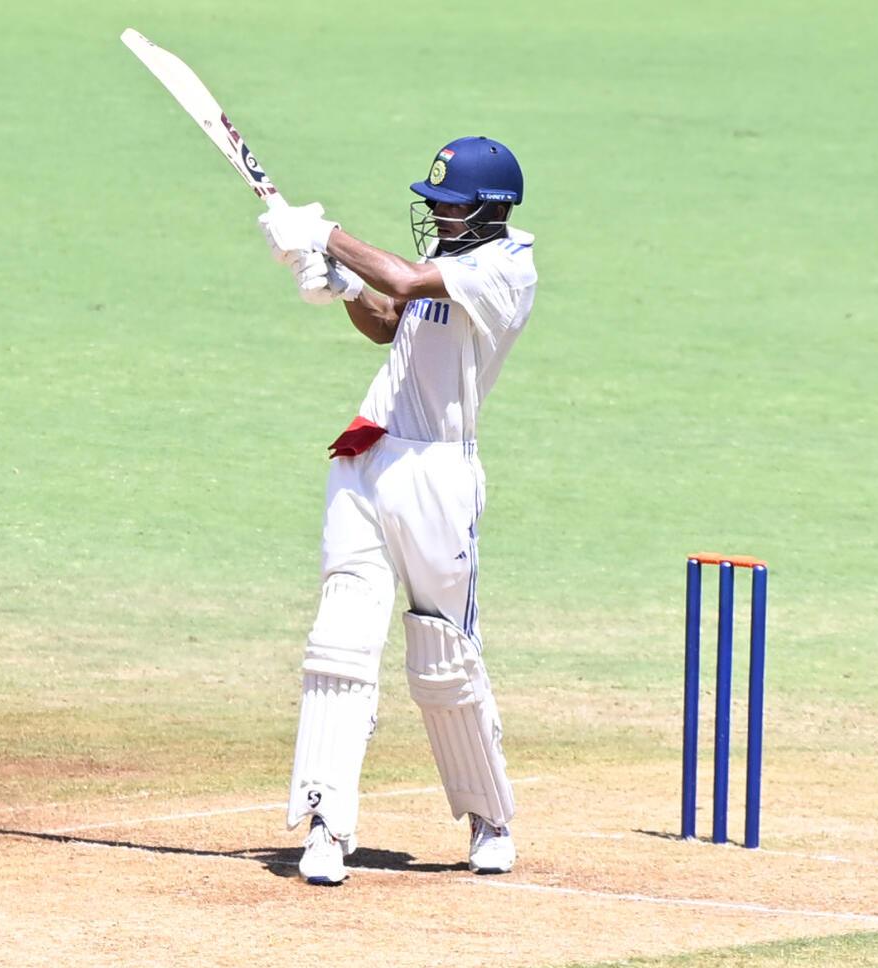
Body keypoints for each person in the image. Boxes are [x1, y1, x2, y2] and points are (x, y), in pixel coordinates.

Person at [258, 137, 537, 885]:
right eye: (434, 202)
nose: (439, 212)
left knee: (442, 652)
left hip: (438, 473)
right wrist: (341, 284)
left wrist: (325, 234)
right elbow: (391, 319)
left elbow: (411, 283)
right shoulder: (446, 265)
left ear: (493, 209)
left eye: (452, 202)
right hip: (367, 454)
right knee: (340, 639)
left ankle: (489, 819)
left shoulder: (507, 269)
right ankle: (326, 826)